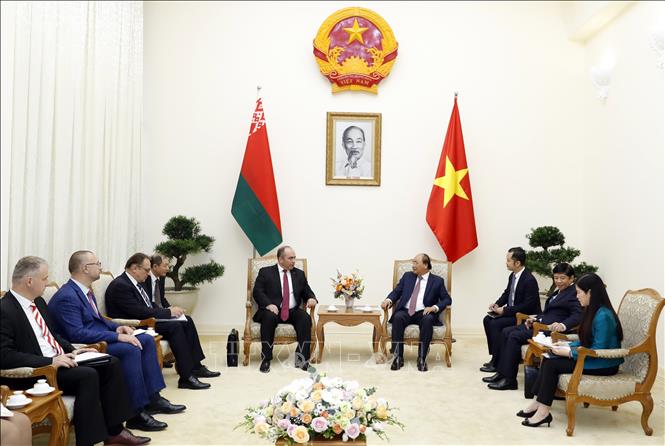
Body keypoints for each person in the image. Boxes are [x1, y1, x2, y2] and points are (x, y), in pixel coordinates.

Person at [0, 256, 150, 446]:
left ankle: (115, 431)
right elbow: (5, 355)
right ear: (29, 281)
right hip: (38, 372)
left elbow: (53, 335)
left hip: (60, 360)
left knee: (110, 363)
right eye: (44, 279)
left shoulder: (38, 303)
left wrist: (72, 350)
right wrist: (50, 361)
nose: (47, 283)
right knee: (87, 375)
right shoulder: (5, 309)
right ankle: (88, 441)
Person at [49, 250, 185, 432]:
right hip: (87, 346)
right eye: (97, 264)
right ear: (85, 268)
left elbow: (98, 319)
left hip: (100, 336)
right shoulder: (67, 296)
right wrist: (117, 336)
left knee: (145, 339)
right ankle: (135, 414)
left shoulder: (83, 291)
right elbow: (77, 334)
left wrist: (117, 327)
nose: (100, 267)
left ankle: (153, 398)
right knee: (129, 349)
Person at [518, 273, 624, 427]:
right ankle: (538, 403)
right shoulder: (592, 310)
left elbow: (598, 350)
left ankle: (543, 412)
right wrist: (566, 345)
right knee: (548, 357)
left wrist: (568, 352)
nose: (577, 296)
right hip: (592, 357)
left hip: (604, 364)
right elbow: (587, 340)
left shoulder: (603, 316)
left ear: (590, 292)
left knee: (552, 364)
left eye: (579, 292)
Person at [107, 253, 219, 390]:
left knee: (186, 320)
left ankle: (195, 366)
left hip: (145, 320)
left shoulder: (135, 282)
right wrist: (168, 313)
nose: (148, 274)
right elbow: (138, 311)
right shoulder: (121, 285)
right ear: (134, 268)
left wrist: (168, 310)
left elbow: (149, 305)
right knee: (175, 327)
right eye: (146, 270)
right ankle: (186, 377)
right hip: (135, 325)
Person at [484, 263, 582, 390]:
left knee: (514, 336)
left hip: (548, 331)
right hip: (538, 325)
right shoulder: (558, 291)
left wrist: (563, 325)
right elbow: (548, 313)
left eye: (562, 278)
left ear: (571, 278)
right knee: (505, 331)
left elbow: (577, 315)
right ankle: (501, 373)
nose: (558, 281)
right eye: (556, 278)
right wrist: (535, 318)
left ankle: (510, 380)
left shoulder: (574, 294)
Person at [381, 253, 451, 372]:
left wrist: (434, 307)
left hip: (424, 312)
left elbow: (447, 299)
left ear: (425, 265)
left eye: (416, 263)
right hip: (406, 311)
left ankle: (422, 358)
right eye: (412, 262)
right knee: (397, 317)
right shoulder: (407, 276)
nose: (412, 265)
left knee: (428, 320)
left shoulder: (437, 281)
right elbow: (397, 292)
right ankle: (398, 357)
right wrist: (388, 300)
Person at [252, 245, 317, 373]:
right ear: (280, 259)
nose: (293, 261)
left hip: (292, 311)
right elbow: (257, 292)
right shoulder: (265, 272)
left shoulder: (299, 274)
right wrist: (269, 304)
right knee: (269, 318)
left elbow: (307, 290)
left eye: (294, 258)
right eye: (290, 258)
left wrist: (311, 298)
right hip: (273, 310)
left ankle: (302, 360)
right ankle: (266, 359)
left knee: (305, 318)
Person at [481, 247, 540, 373]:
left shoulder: (529, 280)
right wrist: (497, 304)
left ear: (517, 263)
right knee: (487, 320)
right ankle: (495, 356)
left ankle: (497, 362)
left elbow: (528, 306)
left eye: (508, 260)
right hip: (512, 312)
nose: (506, 263)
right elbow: (507, 293)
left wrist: (505, 311)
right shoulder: (513, 276)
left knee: (496, 324)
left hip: (523, 316)